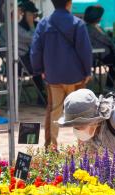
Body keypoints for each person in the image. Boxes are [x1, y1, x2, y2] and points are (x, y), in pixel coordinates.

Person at [31, 0, 92, 148]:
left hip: (53, 76)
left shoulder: (44, 23)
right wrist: (87, 71)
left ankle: (51, 147)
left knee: (54, 111)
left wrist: (40, 70)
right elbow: (85, 50)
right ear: (69, 3)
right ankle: (82, 146)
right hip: (76, 76)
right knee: (81, 112)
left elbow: (35, 50)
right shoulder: (78, 23)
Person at [18, 0, 46, 104]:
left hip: (35, 58)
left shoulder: (37, 24)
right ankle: (43, 95)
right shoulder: (18, 28)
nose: (34, 16)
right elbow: (35, 39)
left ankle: (47, 94)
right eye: (31, 13)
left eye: (34, 13)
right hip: (23, 62)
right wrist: (31, 24)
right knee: (41, 65)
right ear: (24, 14)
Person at [84, 5, 115, 88]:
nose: (101, 18)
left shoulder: (88, 27)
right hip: (98, 56)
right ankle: (111, 85)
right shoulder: (92, 29)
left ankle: (110, 85)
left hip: (99, 54)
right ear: (96, 17)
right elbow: (107, 41)